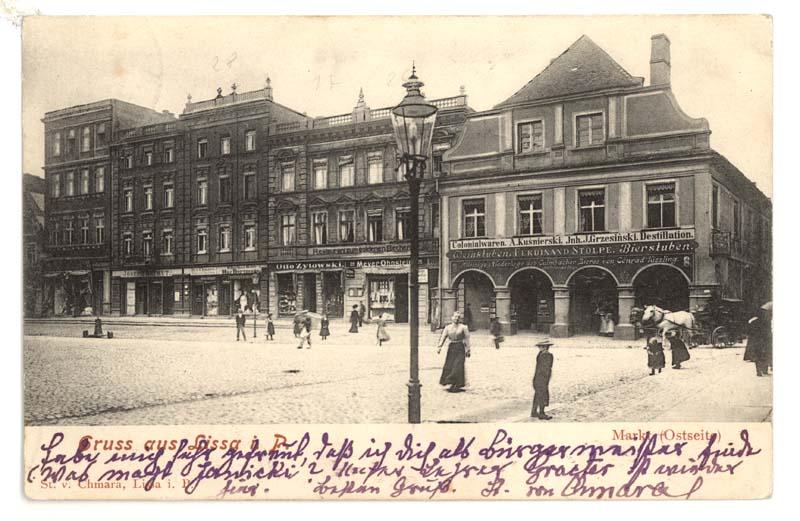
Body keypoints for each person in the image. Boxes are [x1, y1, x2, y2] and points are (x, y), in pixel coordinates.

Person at [436, 311, 471, 392]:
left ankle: (457, 383)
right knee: (450, 365)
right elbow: (443, 337)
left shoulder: (463, 327)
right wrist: (439, 347)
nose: (456, 318)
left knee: (458, 365)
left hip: (460, 347)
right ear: (452, 318)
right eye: (455, 317)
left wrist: (468, 350)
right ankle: (450, 382)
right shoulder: (447, 328)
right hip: (451, 347)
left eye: (458, 317)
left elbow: (467, 339)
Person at [531, 339, 554, 420]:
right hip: (542, 378)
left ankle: (534, 412)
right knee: (542, 395)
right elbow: (547, 368)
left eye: (541, 346)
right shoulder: (546, 355)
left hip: (538, 377)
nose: (539, 348)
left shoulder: (541, 354)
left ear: (545, 347)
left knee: (538, 394)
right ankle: (541, 413)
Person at [745, 308, 772, 376]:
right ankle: (765, 370)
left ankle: (758, 371)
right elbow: (768, 332)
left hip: (754, 341)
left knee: (757, 356)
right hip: (764, 340)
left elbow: (748, 332)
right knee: (765, 355)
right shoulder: (765, 321)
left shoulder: (751, 321)